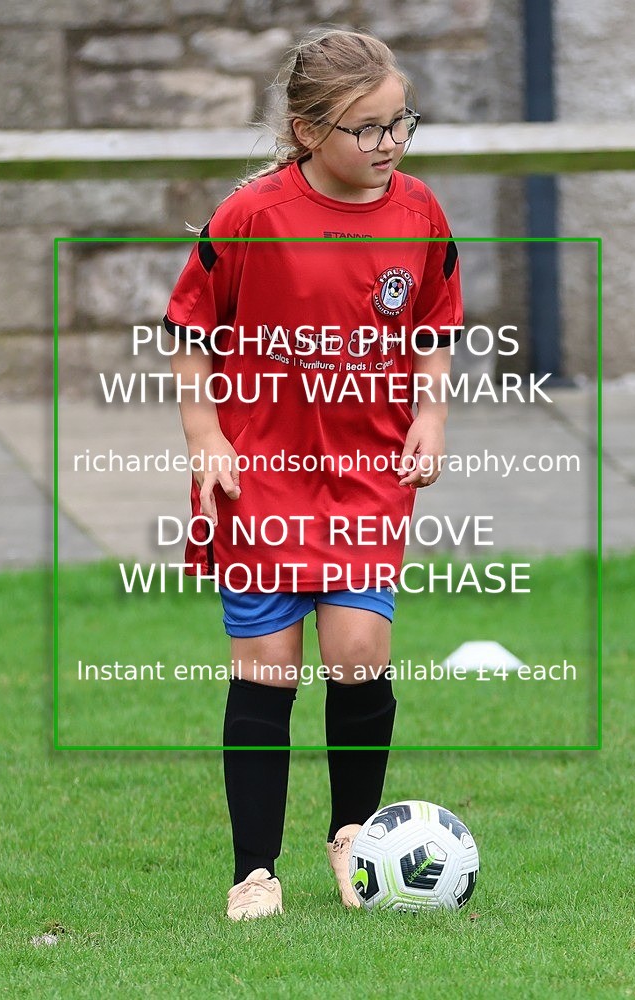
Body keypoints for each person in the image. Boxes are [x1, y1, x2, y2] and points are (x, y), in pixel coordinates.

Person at [164, 27, 463, 920]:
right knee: (267, 674)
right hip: (261, 473)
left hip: (367, 471)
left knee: (360, 656)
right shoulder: (251, 215)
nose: (389, 145)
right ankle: (254, 870)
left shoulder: (419, 211)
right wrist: (205, 438)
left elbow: (438, 323)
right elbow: (188, 330)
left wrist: (432, 413)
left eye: (399, 123)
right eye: (366, 129)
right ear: (306, 131)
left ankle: (356, 843)